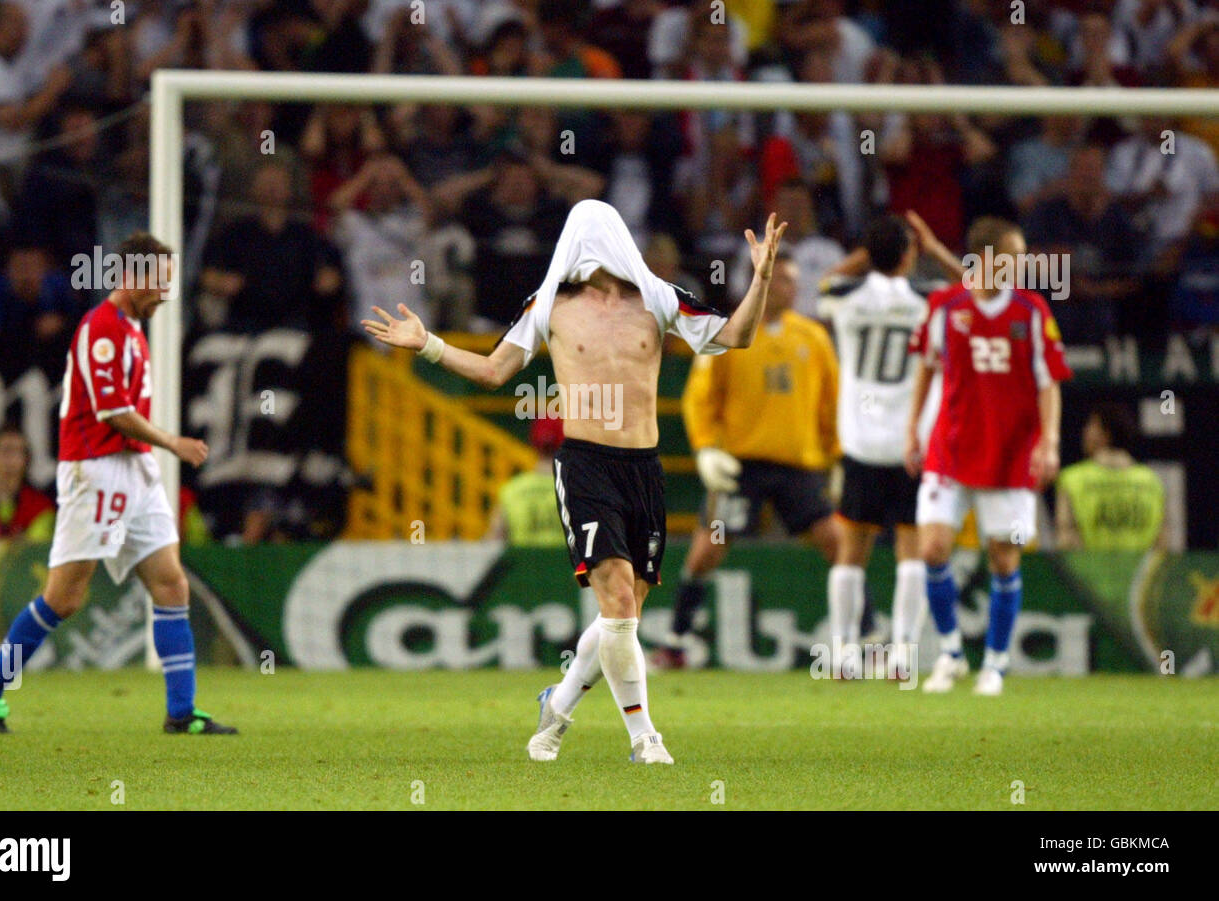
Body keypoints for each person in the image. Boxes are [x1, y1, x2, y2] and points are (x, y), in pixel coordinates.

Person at [363, 199, 786, 764]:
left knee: (624, 617)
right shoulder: (550, 306)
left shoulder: (657, 298)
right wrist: (430, 345)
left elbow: (736, 336)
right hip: (585, 465)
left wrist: (759, 281)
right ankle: (644, 739)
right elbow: (494, 370)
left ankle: (556, 708)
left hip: (645, 468)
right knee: (616, 602)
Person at [0, 232, 236, 736]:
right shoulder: (103, 330)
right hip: (97, 469)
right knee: (64, 598)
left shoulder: (132, 327)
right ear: (132, 278)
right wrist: (171, 442)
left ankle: (181, 713)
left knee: (171, 584)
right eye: (160, 283)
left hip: (134, 471)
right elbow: (112, 412)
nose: (165, 293)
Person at [905, 217, 1072, 696]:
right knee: (932, 548)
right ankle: (952, 655)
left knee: (1003, 558)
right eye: (1014, 256)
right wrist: (912, 431)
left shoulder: (1032, 311)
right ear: (989, 260)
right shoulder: (944, 306)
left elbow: (1049, 382)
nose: (1022, 265)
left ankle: (995, 664)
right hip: (950, 450)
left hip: (1010, 455)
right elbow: (925, 370)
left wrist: (1050, 441)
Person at [651, 248, 841, 670]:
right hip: (741, 465)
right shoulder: (729, 333)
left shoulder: (813, 337)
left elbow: (832, 403)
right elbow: (700, 399)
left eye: (793, 280)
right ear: (762, 284)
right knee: (709, 546)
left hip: (799, 464)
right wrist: (705, 450)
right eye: (783, 280)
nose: (791, 288)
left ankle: (865, 636)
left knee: (835, 542)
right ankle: (675, 640)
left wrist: (836, 456)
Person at [818, 214, 948, 674]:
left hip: (860, 443)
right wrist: (932, 248)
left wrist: (865, 257)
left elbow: (823, 284)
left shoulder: (846, 297)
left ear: (868, 255)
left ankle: (843, 654)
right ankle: (904, 655)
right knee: (909, 552)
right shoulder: (928, 299)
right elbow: (975, 289)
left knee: (851, 553)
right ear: (911, 255)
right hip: (910, 445)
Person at [1056, 404, 1166, 552]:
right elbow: (1162, 544)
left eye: (1091, 425)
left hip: (1088, 573)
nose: (1085, 431)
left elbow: (1066, 540)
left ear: (1106, 434)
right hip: (1140, 574)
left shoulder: (1072, 479)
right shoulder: (1152, 481)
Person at [487, 416, 565, 548]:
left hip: (523, 567)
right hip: (567, 567)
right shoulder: (577, 489)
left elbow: (493, 541)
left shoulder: (512, 490)